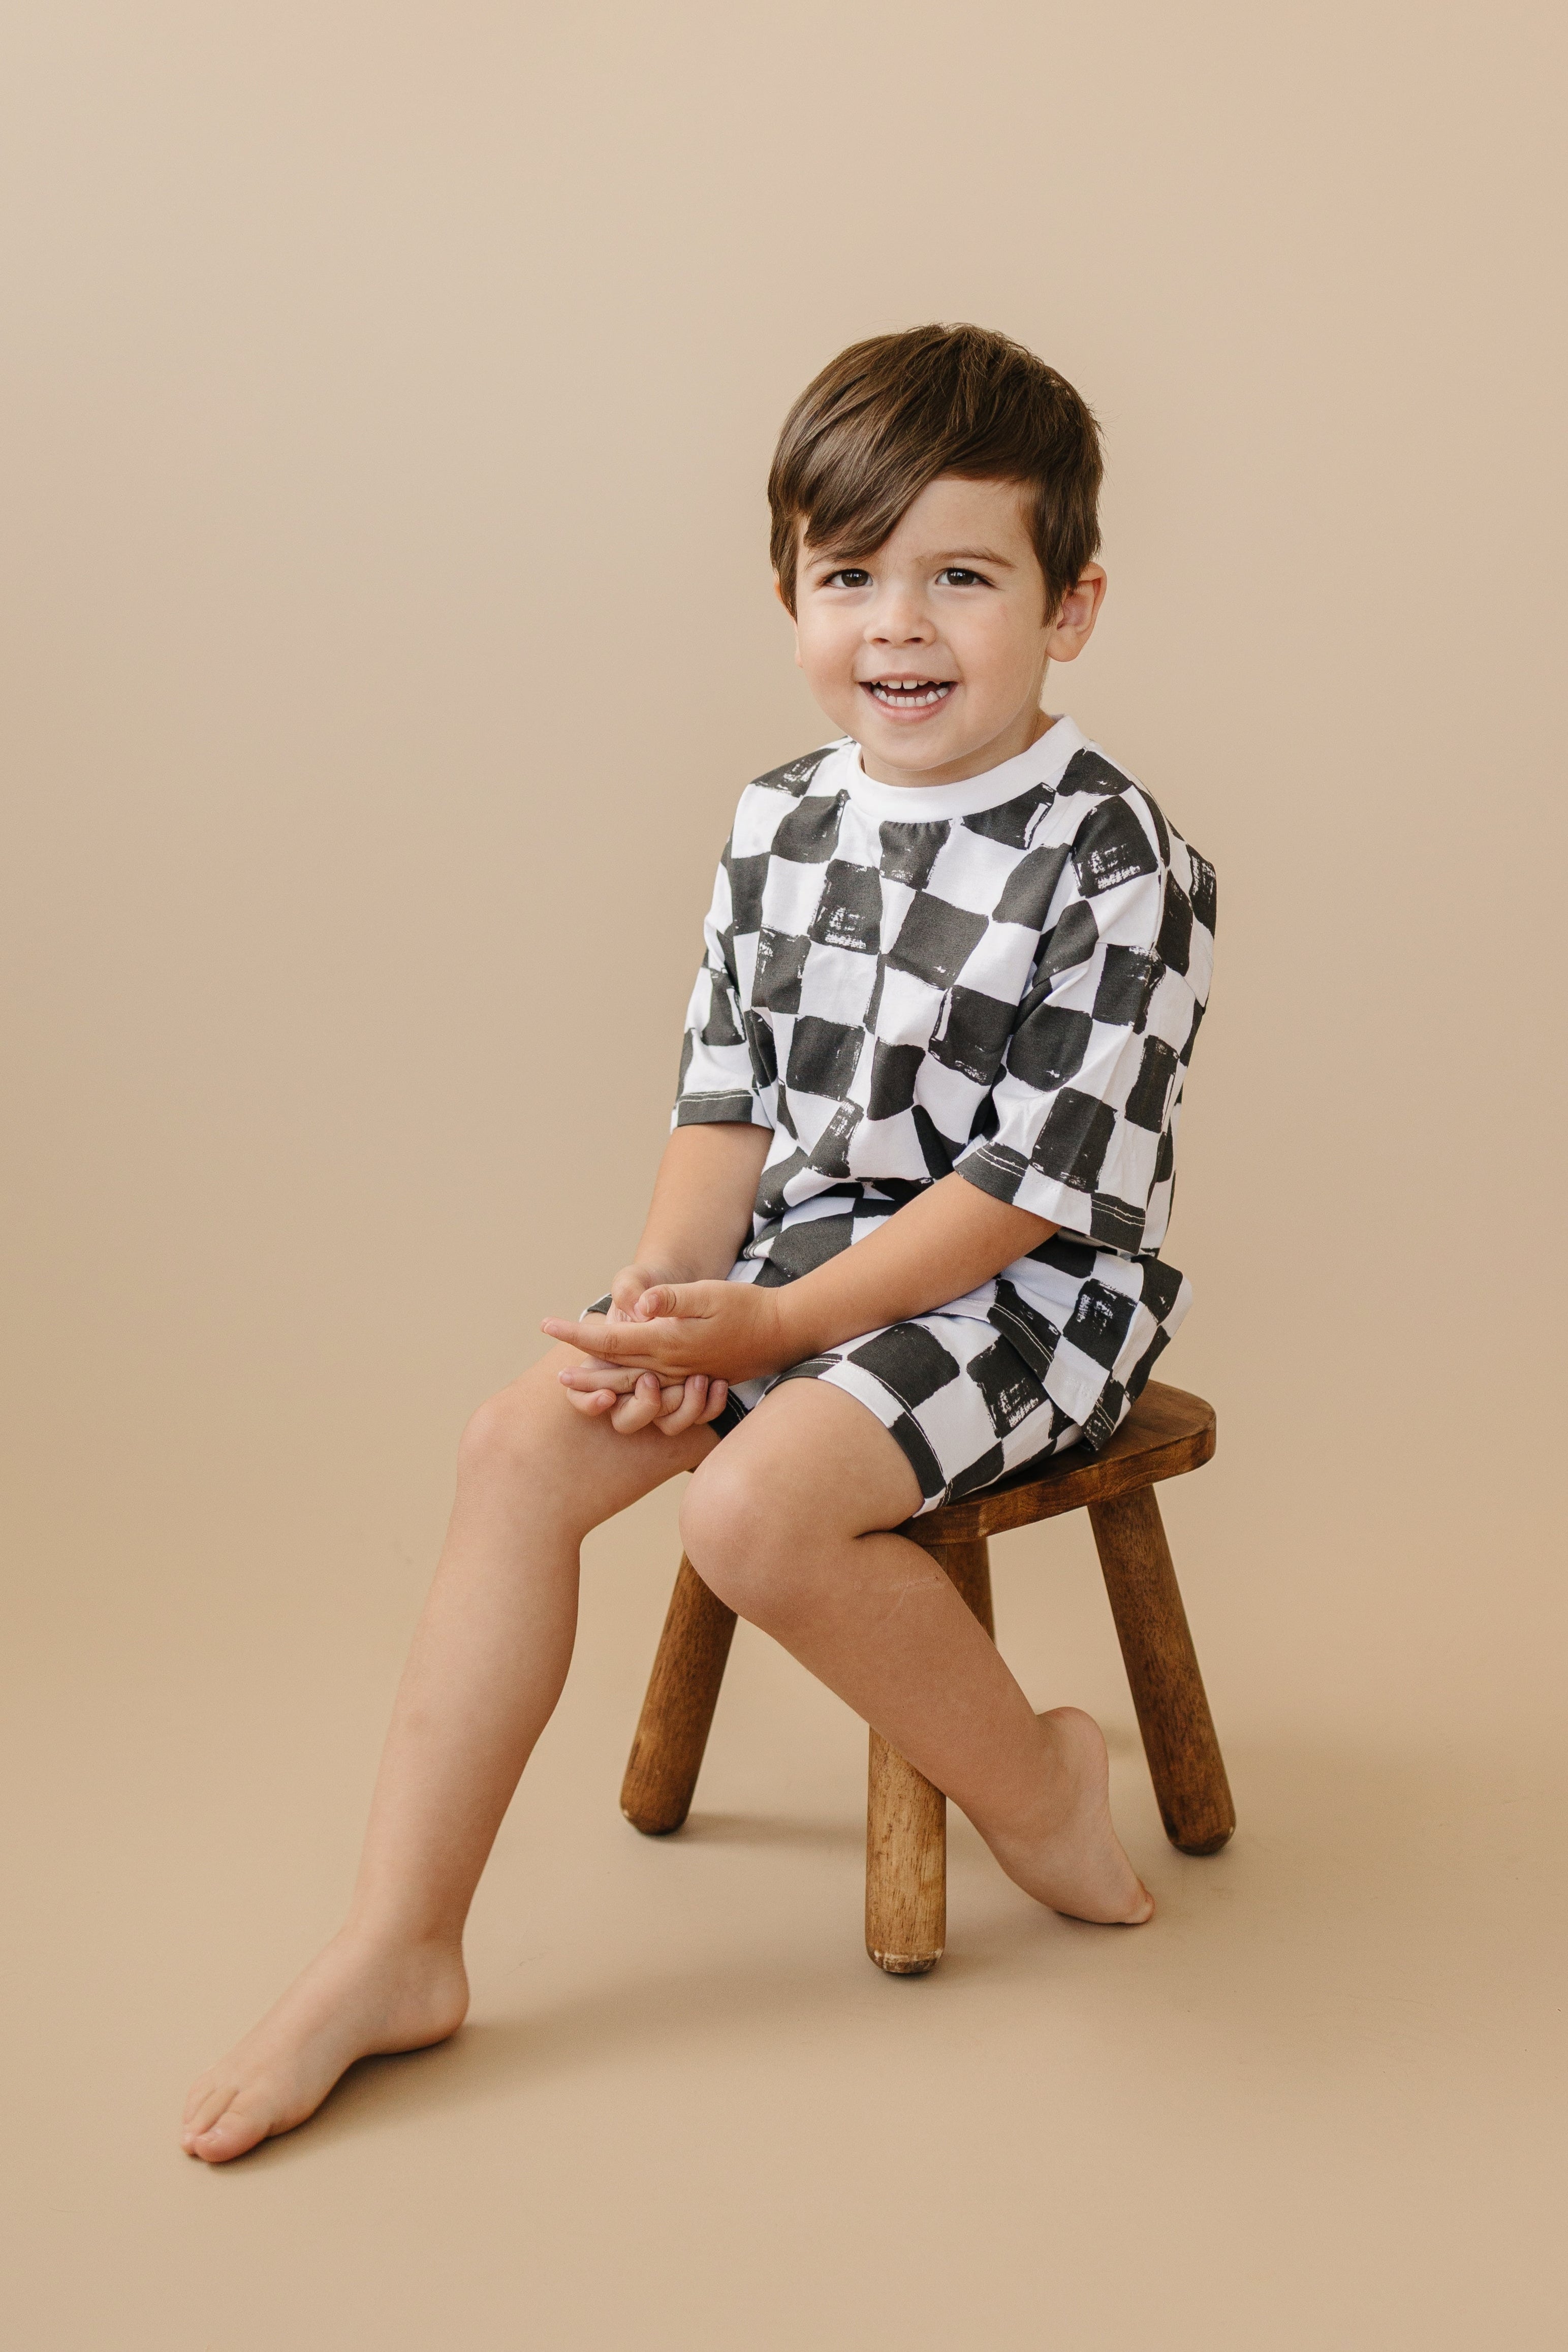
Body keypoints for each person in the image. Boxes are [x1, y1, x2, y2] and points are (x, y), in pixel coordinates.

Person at [181, 322, 1215, 2163]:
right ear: (791, 592)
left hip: (1033, 1290)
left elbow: (1021, 1193)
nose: (899, 625)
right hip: (794, 1263)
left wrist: (780, 1333)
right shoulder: (780, 819)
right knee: (517, 1443)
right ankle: (398, 1943)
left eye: (963, 577)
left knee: (751, 1514)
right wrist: (671, 1303)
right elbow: (727, 1104)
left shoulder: (1117, 858)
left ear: (1071, 606)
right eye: (851, 575)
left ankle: (1041, 1787)